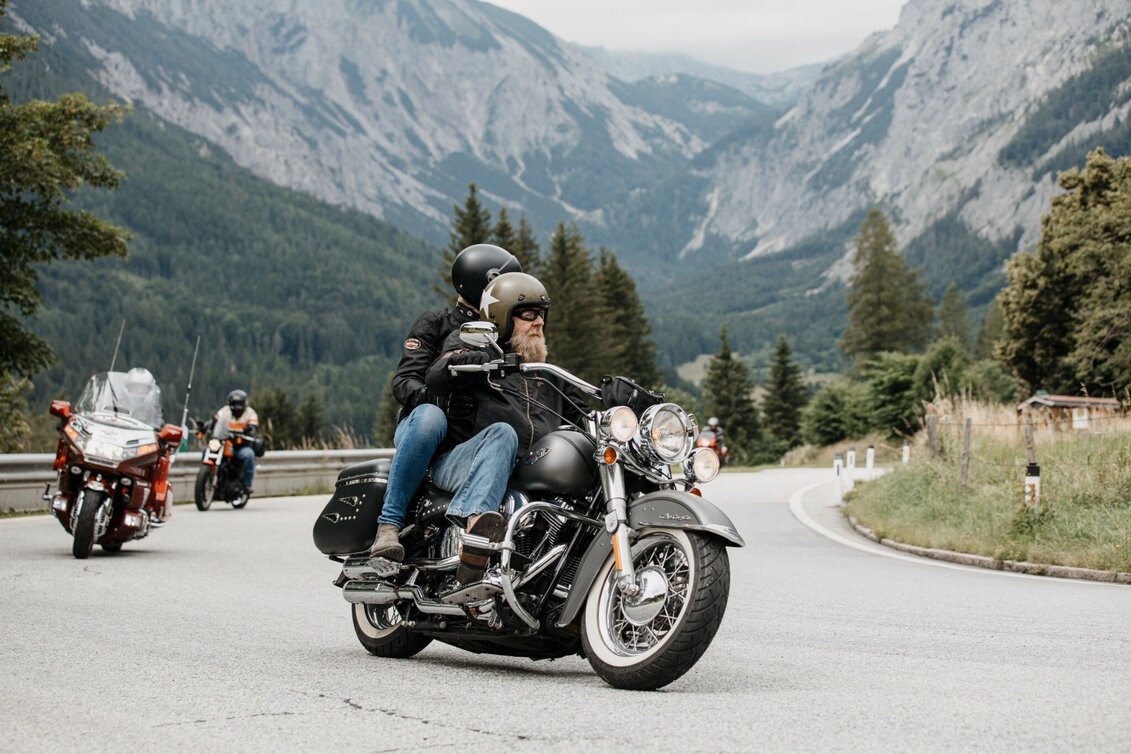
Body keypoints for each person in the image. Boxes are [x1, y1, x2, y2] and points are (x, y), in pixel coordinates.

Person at [425, 271, 588, 585]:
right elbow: (438, 373)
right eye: (528, 315)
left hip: (525, 469)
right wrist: (470, 360)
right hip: (464, 462)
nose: (538, 322)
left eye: (541, 315)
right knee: (503, 434)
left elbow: (583, 415)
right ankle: (476, 535)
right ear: (501, 317)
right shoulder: (477, 352)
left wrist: (618, 405)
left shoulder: (547, 374)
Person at [367, 244, 523, 563]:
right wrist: (439, 399)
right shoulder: (435, 323)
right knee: (430, 417)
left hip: (468, 446)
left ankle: (484, 543)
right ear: (484, 285)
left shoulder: (505, 335)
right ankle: (388, 525)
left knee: (504, 433)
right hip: (424, 434)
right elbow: (404, 381)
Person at [211, 389, 260, 495]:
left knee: (249, 455)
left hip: (241, 446)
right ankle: (209, 478)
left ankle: (247, 485)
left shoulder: (250, 413)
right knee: (206, 450)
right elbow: (215, 422)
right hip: (224, 444)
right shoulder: (224, 411)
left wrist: (250, 430)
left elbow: (253, 427)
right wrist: (206, 426)